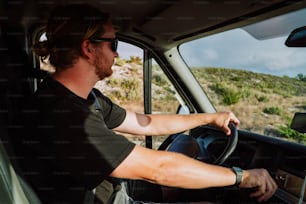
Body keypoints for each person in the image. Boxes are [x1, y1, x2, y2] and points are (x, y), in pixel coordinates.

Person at [13, 3, 277, 204]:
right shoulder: (62, 113)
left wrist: (208, 118)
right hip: (104, 198)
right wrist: (242, 176)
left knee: (188, 155)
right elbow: (158, 169)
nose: (117, 53)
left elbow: (145, 123)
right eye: (112, 43)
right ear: (88, 48)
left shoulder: (87, 99)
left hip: (110, 187)